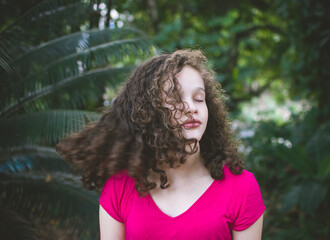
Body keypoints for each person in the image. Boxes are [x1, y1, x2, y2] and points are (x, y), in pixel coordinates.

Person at [56, 49, 265, 240]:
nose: (191, 107)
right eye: (175, 99)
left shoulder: (242, 187)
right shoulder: (120, 186)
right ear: (148, 113)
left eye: (199, 98)